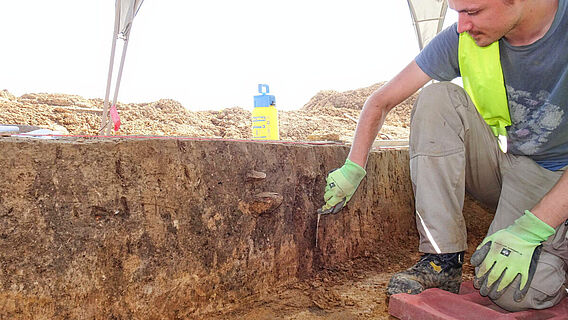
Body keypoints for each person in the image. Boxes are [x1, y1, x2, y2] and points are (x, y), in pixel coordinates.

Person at [319, 0, 568, 312]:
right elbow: (381, 101)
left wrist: (533, 228)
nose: (462, 26)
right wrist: (353, 168)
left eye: (473, 12)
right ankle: (442, 261)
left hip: (561, 175)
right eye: (458, 12)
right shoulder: (466, 36)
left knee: (518, 292)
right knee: (437, 98)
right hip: (521, 166)